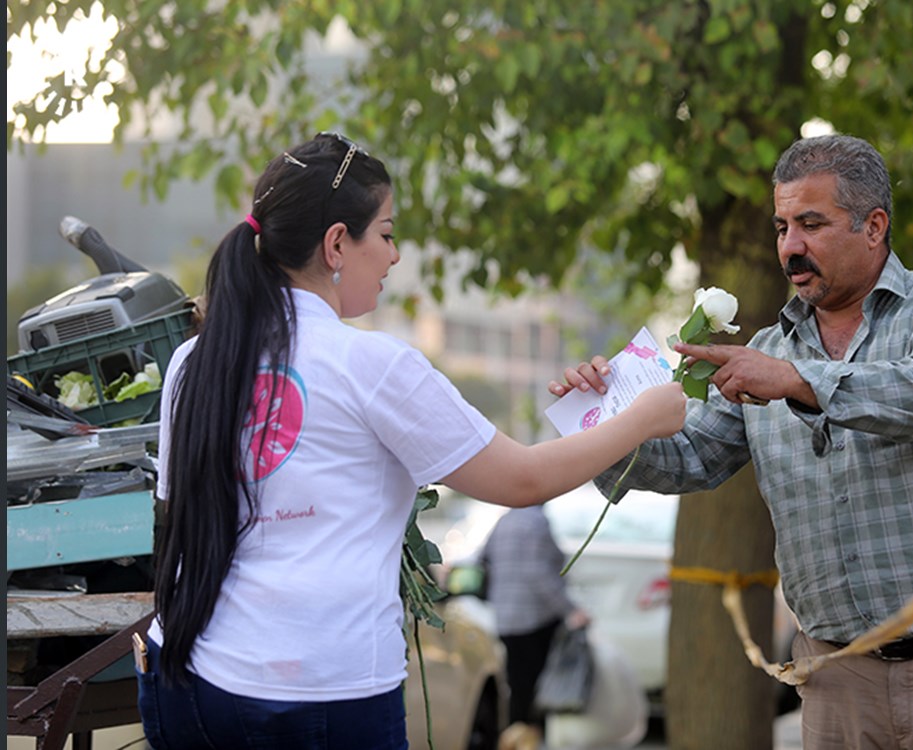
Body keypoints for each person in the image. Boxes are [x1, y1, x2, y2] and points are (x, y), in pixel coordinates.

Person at [138, 133, 687, 750]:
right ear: (338, 243)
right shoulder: (372, 365)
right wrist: (641, 418)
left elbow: (175, 517)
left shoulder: (191, 360)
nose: (395, 257)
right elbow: (522, 479)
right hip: (316, 695)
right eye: (388, 234)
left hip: (186, 680)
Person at [550, 134, 913, 749]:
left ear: (874, 227)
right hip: (837, 684)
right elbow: (687, 460)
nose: (791, 246)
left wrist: (797, 381)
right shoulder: (766, 352)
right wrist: (602, 419)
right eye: (782, 225)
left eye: (811, 223)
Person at [481, 506, 590, 746]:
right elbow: (539, 573)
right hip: (534, 618)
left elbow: (483, 557)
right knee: (535, 691)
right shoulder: (536, 522)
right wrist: (570, 609)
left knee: (517, 685)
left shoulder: (505, 521)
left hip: (506, 616)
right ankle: (528, 740)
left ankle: (515, 739)